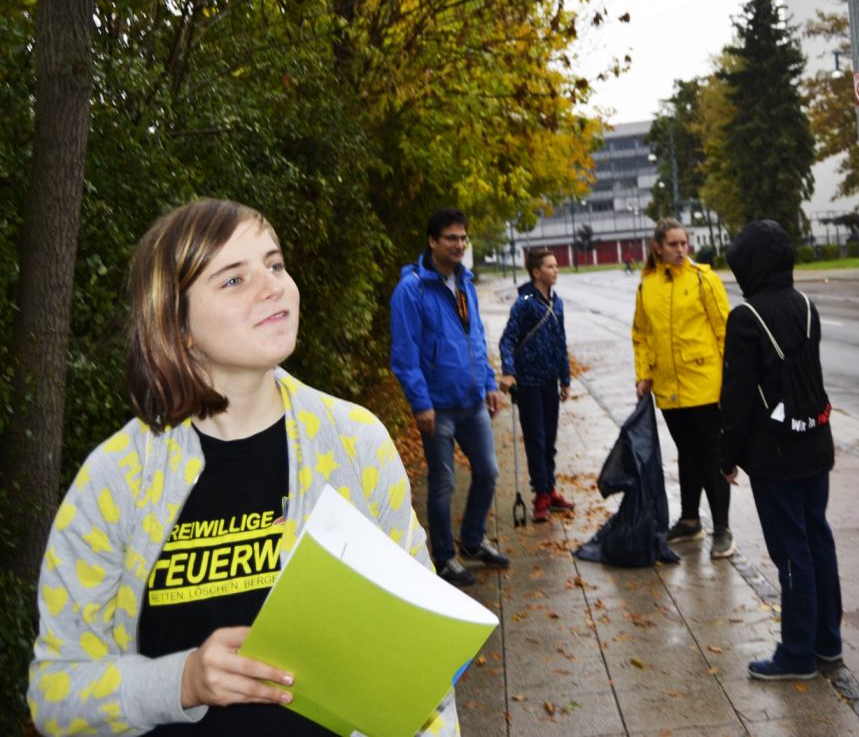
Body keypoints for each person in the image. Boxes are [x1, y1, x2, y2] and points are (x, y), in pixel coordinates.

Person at [27, 199, 457, 734]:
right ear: (177, 324)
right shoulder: (117, 479)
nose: (273, 284)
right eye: (233, 279)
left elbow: (422, 652)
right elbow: (54, 695)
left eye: (274, 265)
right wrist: (181, 681)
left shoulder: (355, 443)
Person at [718, 219, 843, 682]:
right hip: (815, 441)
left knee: (791, 551)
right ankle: (828, 642)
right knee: (818, 539)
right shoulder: (807, 307)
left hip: (774, 453)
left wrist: (726, 456)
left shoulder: (746, 318)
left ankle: (797, 653)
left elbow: (736, 398)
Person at [390, 207, 509, 588]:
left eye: (463, 238)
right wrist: (420, 402)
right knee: (443, 483)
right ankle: (443, 558)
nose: (459, 245)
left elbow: (476, 339)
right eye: (451, 238)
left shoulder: (466, 283)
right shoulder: (411, 290)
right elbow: (405, 353)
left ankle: (473, 541)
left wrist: (489, 382)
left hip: (472, 401)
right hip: (437, 406)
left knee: (488, 471)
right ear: (432, 241)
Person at [631, 218, 734, 559]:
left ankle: (722, 528)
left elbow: (724, 332)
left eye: (683, 244)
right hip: (669, 389)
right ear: (658, 247)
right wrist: (643, 374)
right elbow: (642, 334)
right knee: (687, 455)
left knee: (712, 457)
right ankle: (690, 521)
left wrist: (730, 382)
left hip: (705, 385)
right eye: (673, 244)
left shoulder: (705, 279)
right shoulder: (648, 285)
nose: (680, 250)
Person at [498, 249, 574, 523]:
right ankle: (540, 493)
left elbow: (560, 343)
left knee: (549, 439)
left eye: (556, 266)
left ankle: (549, 489)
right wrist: (509, 371)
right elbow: (507, 340)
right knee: (536, 439)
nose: (556, 270)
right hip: (528, 382)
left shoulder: (558, 303)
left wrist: (565, 378)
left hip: (549, 381)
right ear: (536, 272)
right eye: (550, 266)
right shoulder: (525, 303)